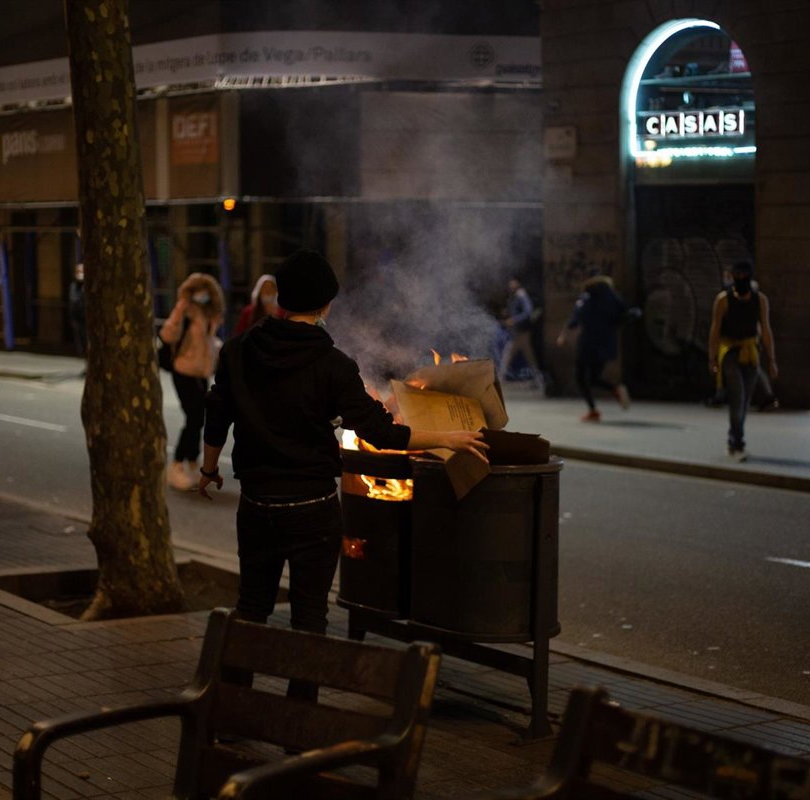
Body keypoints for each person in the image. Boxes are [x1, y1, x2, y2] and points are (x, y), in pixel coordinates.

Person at [197, 249, 487, 699]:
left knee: (251, 609)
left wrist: (209, 468)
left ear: (280, 300)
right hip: (312, 511)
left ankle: (233, 707)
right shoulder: (333, 365)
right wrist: (447, 438)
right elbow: (381, 432)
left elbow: (217, 414)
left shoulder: (238, 352)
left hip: (256, 505)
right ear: (325, 305)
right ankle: (300, 720)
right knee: (309, 618)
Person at [708, 261, 777, 462]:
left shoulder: (760, 300)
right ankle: (737, 442)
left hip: (751, 353)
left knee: (745, 401)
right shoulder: (723, 300)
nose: (740, 279)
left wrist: (771, 359)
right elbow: (715, 330)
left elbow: (766, 330)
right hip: (730, 353)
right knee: (738, 397)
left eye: (743, 274)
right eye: (736, 274)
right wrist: (712, 358)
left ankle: (734, 438)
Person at [161, 272, 224, 492]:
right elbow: (167, 335)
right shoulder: (185, 311)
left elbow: (208, 342)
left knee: (199, 419)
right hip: (184, 371)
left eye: (205, 291)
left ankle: (192, 462)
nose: (202, 295)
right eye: (197, 290)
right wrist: (180, 308)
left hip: (202, 374)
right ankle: (177, 464)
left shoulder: (210, 314)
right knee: (194, 417)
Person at [556, 271, 633, 422]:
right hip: (606, 343)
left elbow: (575, 319)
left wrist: (563, 335)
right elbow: (623, 315)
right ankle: (615, 389)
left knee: (581, 377)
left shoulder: (586, 298)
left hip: (588, 343)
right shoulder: (613, 297)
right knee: (594, 377)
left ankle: (593, 410)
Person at [499, 277, 543, 390]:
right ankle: (539, 380)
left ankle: (500, 379)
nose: (510, 287)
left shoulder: (521, 296)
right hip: (519, 333)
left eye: (513, 285)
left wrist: (514, 320)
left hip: (522, 333)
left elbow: (528, 312)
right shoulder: (514, 297)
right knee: (528, 357)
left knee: (508, 355)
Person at [68, 262, 87, 365]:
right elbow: (74, 300)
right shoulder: (74, 286)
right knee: (81, 341)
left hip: (85, 319)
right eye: (78, 272)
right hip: (78, 318)